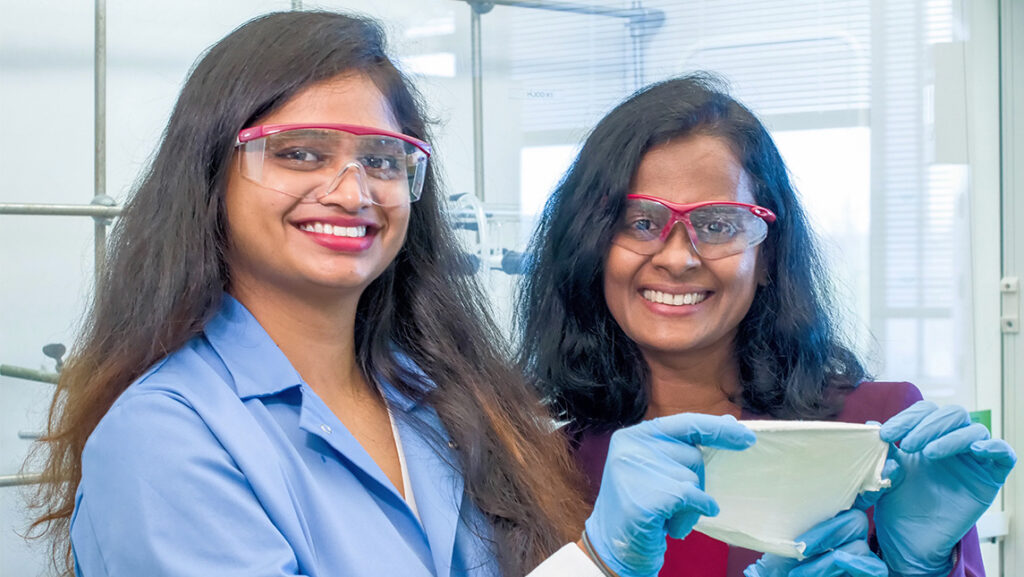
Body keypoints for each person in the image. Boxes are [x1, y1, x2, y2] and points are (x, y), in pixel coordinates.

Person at [25, 12, 776, 577]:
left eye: (384, 159)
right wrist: (597, 558)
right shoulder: (168, 440)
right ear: (210, 173)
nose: (352, 190)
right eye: (300, 153)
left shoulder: (438, 402)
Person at [517, 73, 1016, 577]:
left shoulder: (879, 432)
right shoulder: (538, 464)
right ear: (591, 246)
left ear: (768, 256)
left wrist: (926, 567)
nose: (676, 258)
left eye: (716, 225)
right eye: (641, 222)